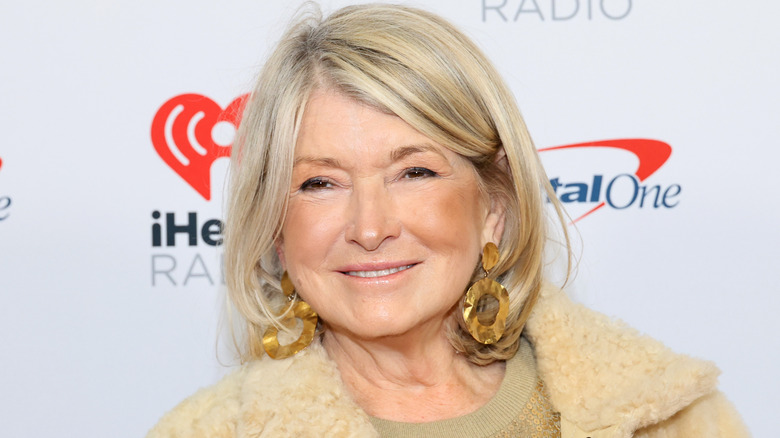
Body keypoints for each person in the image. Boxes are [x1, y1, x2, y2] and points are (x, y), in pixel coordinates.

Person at [148, 3, 749, 437]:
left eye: (414, 172)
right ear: (277, 229)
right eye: (320, 183)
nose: (369, 228)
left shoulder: (670, 417)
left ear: (494, 206)